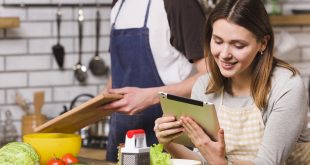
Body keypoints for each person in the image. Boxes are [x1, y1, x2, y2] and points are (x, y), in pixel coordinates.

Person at [154, 0, 310, 164]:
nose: (224, 54)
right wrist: (168, 142)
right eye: (218, 41)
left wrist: (220, 162)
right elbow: (205, 159)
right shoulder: (204, 86)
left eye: (238, 45)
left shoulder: (286, 85)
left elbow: (268, 162)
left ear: (263, 43)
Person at [99, 0, 207, 162]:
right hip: (122, 137)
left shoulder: (180, 4)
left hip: (168, 137)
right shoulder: (119, 4)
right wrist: (105, 96)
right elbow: (120, 66)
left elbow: (210, 75)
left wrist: (151, 96)